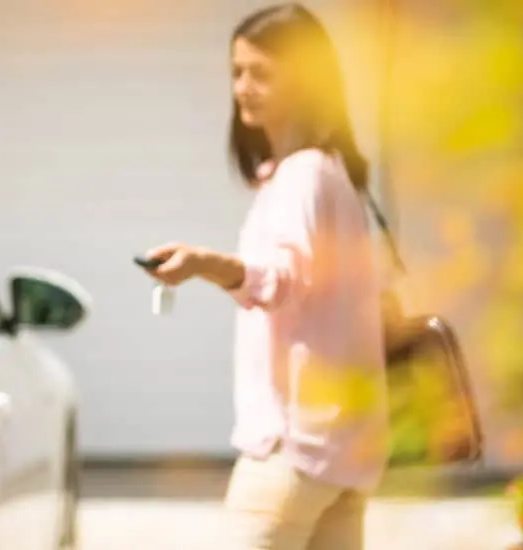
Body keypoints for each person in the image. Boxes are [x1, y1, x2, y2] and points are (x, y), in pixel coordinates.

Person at [140, 4, 388, 549]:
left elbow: (283, 281)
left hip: (293, 448)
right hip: (346, 449)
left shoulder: (302, 174)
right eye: (237, 72)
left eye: (261, 73)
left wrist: (202, 262)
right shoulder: (333, 172)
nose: (243, 87)